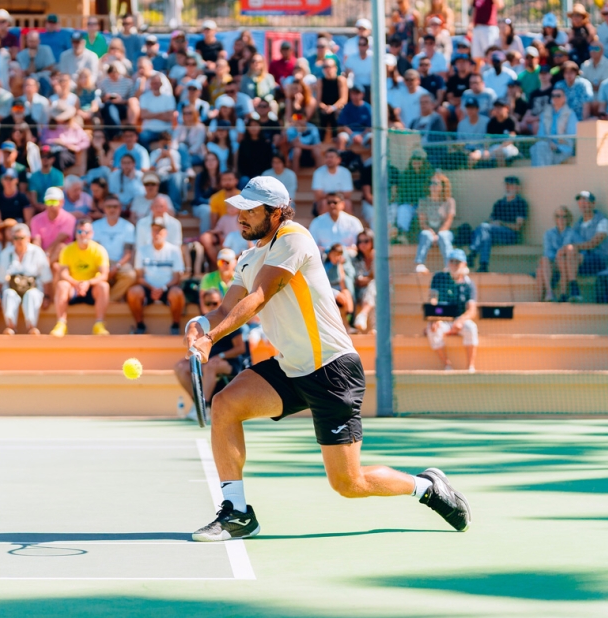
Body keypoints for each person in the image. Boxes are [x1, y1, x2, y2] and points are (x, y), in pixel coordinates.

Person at [184, 176, 470, 541]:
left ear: (275, 213)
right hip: (291, 367)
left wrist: (210, 339)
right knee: (225, 404)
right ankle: (237, 513)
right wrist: (198, 325)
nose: (241, 216)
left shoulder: (293, 239)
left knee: (349, 483)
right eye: (240, 208)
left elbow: (258, 296)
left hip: (332, 369)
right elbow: (225, 307)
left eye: (251, 210)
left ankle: (426, 487)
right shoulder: (249, 256)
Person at [175, 287, 248, 420]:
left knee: (211, 366)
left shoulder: (231, 319)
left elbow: (240, 349)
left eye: (215, 303)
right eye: (208, 303)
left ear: (221, 302)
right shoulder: (202, 323)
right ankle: (198, 405)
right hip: (208, 360)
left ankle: (205, 407)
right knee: (180, 366)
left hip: (229, 362)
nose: (211, 306)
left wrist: (220, 356)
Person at [51, 218, 110, 337]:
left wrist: (88, 283)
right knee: (62, 285)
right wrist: (76, 284)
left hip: (91, 290)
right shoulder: (67, 250)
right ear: (75, 233)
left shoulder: (99, 250)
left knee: (104, 286)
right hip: (73, 289)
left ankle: (99, 324)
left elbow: (104, 275)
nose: (83, 235)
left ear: (92, 234)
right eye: (79, 232)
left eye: (86, 232)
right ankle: (61, 324)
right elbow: (63, 273)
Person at [127, 219, 185, 335]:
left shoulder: (174, 250)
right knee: (133, 292)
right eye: (154, 230)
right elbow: (139, 277)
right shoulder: (142, 250)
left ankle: (175, 325)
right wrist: (152, 288)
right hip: (148, 287)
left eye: (160, 230)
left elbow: (176, 278)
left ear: (166, 233)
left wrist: (162, 288)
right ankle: (140, 325)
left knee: (177, 293)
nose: (157, 233)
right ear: (151, 232)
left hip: (167, 288)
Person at [425, 250, 478, 372]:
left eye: (457, 262)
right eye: (451, 261)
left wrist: (460, 321)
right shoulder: (439, 277)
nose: (454, 264)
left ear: (464, 264)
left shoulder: (469, 284)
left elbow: (472, 310)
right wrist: (434, 318)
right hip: (442, 319)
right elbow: (433, 299)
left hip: (460, 320)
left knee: (471, 328)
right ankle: (447, 365)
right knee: (432, 330)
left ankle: (470, 367)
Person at [0, 223, 52, 335]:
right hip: (12, 288)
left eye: (21, 238)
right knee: (8, 294)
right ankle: (11, 327)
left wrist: (47, 296)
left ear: (28, 238)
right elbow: (0, 280)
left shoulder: (37, 252)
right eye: (16, 238)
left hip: (33, 288)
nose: (19, 241)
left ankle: (31, 327)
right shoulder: (6, 253)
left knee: (31, 295)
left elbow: (46, 277)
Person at [555, 191, 608, 302]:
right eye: (580, 202)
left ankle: (574, 289)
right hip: (579, 262)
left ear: (593, 203)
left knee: (571, 250)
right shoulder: (578, 224)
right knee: (563, 256)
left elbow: (593, 243)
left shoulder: (603, 221)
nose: (583, 204)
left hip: (599, 261)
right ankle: (564, 294)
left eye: (586, 201)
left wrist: (571, 247)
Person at [468, 175, 528, 272]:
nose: (508, 187)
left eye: (511, 185)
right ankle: (483, 266)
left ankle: (473, 253)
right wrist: (492, 223)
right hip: (495, 234)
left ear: (517, 188)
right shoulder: (499, 203)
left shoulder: (520, 203)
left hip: (510, 236)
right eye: (506, 185)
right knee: (486, 236)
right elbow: (490, 221)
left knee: (484, 228)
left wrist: (502, 223)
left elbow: (518, 227)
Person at [92, 194, 136, 302]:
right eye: (108, 206)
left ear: (120, 208)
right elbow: (94, 250)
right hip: (100, 262)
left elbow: (128, 252)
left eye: (115, 206)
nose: (112, 209)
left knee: (131, 275)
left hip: (119, 263)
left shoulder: (128, 227)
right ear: (103, 208)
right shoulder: (95, 226)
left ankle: (108, 301)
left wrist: (116, 266)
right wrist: (103, 267)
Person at [413, 171, 456, 273]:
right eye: (431, 183)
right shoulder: (423, 202)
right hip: (429, 232)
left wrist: (438, 234)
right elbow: (422, 223)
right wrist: (432, 234)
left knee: (444, 236)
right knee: (425, 234)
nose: (432, 186)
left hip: (444, 232)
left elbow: (448, 222)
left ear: (442, 186)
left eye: (435, 183)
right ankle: (419, 265)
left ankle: (449, 266)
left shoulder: (449, 201)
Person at [536, 205, 577, 302]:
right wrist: (556, 257)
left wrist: (560, 255)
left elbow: (577, 250)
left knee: (543, 268)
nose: (561, 219)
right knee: (543, 262)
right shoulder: (548, 233)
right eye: (558, 216)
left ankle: (561, 294)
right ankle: (549, 293)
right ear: (555, 218)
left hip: (566, 265)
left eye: (564, 216)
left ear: (568, 218)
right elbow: (547, 251)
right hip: (552, 263)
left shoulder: (573, 233)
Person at [531, 87, 578, 166]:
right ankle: (541, 175)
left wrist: (556, 145)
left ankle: (541, 176)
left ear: (564, 98)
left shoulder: (570, 114)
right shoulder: (545, 114)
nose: (555, 98)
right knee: (537, 147)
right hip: (546, 146)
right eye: (553, 96)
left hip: (562, 149)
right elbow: (541, 134)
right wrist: (549, 143)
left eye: (558, 96)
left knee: (541, 149)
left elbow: (572, 136)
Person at [311, 149, 354, 216]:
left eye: (331, 157)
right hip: (324, 201)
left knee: (347, 203)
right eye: (327, 157)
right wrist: (336, 195)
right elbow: (318, 196)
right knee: (324, 203)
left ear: (339, 159)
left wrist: (329, 195)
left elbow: (348, 194)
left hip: (339, 200)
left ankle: (348, 226)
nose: (329, 159)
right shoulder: (318, 172)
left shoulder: (345, 172)